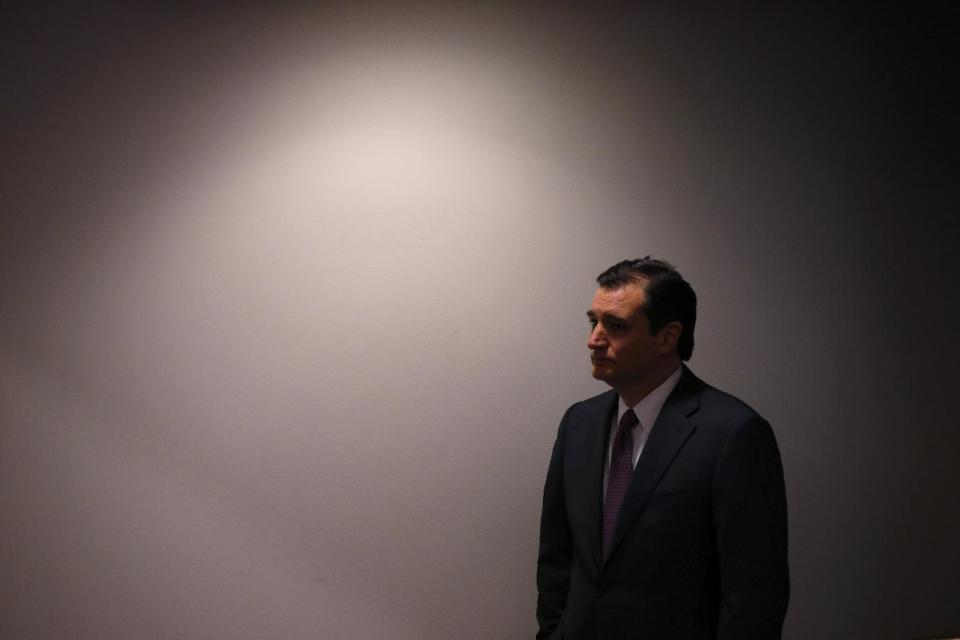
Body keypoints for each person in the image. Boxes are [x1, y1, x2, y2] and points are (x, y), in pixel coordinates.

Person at [536, 257, 789, 639]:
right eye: (594, 322)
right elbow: (557, 556)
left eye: (615, 326)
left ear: (667, 337)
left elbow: (753, 593)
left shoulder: (733, 434)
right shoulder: (579, 424)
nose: (594, 340)